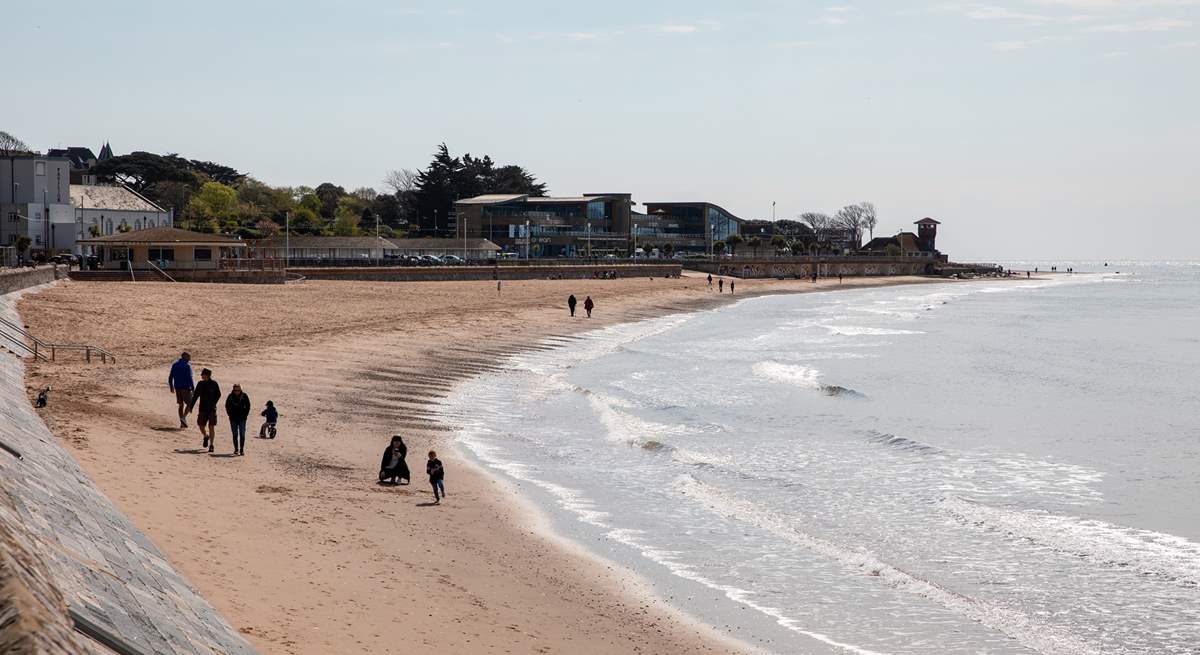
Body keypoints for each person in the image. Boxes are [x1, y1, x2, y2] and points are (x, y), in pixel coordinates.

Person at [186, 368, 222, 453]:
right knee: (201, 425)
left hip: (212, 409)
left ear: (207, 375)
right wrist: (191, 406)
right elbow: (195, 396)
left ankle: (211, 445)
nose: (201, 376)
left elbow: (219, 394)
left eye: (203, 374)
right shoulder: (200, 384)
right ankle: (206, 436)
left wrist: (214, 403)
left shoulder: (214, 384)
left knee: (211, 426)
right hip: (202, 408)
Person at [168, 352, 194, 429]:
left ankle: (182, 423)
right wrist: (193, 388)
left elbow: (170, 377)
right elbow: (189, 378)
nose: (190, 358)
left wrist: (171, 386)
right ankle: (183, 417)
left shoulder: (175, 365)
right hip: (185, 388)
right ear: (185, 357)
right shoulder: (187, 366)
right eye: (189, 356)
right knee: (190, 404)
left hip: (177, 387)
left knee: (180, 405)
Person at [224, 384, 251, 456]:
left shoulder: (244, 396)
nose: (237, 391)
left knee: (242, 434)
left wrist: (245, 414)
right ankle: (236, 449)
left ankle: (242, 449)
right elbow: (226, 405)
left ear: (241, 389)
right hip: (233, 418)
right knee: (235, 434)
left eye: (238, 390)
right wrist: (229, 414)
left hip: (242, 418)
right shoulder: (230, 396)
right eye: (235, 390)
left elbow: (248, 406)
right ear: (233, 390)